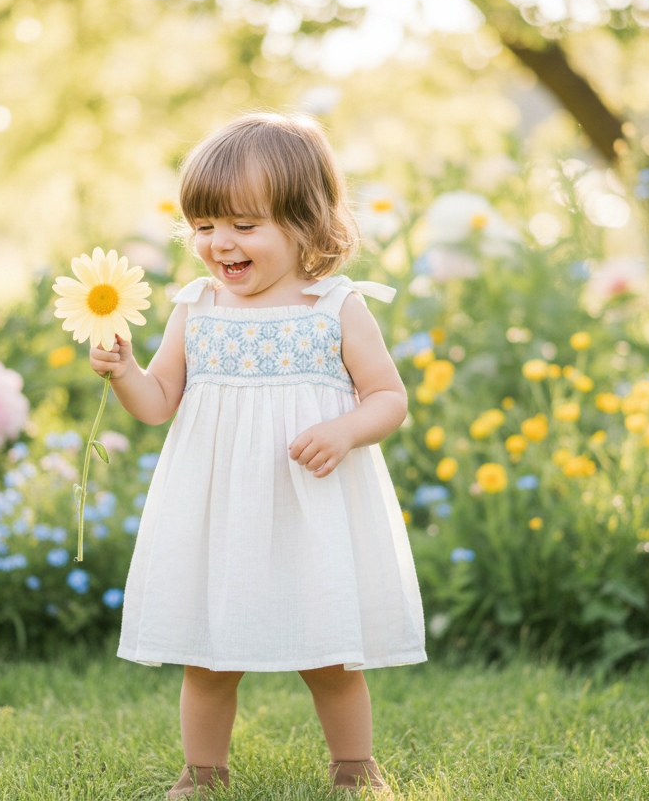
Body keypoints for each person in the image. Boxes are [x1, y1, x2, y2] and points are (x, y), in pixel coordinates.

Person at [88, 111, 426, 799]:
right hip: (219, 509)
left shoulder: (333, 306)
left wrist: (347, 429)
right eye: (205, 226)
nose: (220, 244)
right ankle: (202, 772)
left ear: (308, 223)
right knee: (207, 658)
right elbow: (159, 402)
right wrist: (124, 372)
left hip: (311, 508)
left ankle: (354, 768)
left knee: (331, 655)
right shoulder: (196, 307)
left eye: (245, 226)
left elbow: (389, 395)